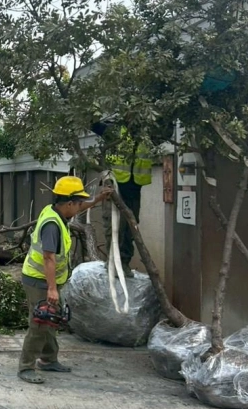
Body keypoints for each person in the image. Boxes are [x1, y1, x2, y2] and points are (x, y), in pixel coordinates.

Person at [18, 176, 111, 384]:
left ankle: (48, 359)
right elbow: (48, 257)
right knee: (40, 322)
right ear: (69, 203)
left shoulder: (57, 212)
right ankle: (26, 367)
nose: (79, 208)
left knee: (50, 319)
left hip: (48, 280)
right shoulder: (52, 225)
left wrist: (97, 199)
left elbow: (82, 206)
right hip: (39, 280)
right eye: (77, 203)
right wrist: (52, 289)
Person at [91, 122, 153, 271]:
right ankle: (112, 264)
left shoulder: (148, 132)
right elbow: (93, 123)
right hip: (115, 188)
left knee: (130, 230)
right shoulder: (114, 131)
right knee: (114, 229)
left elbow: (167, 130)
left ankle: (124, 264)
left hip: (134, 189)